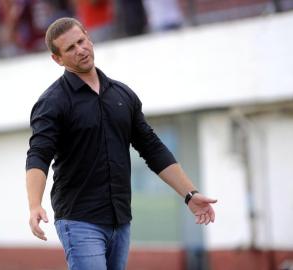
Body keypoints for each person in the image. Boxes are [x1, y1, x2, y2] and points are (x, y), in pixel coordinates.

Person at [25, 17, 217, 270]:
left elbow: (152, 148)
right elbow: (39, 154)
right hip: (78, 219)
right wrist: (34, 204)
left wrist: (190, 194)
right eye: (70, 48)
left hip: (120, 219)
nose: (80, 49)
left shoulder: (122, 95)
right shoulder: (52, 102)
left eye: (81, 41)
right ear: (57, 59)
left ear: (88, 37)